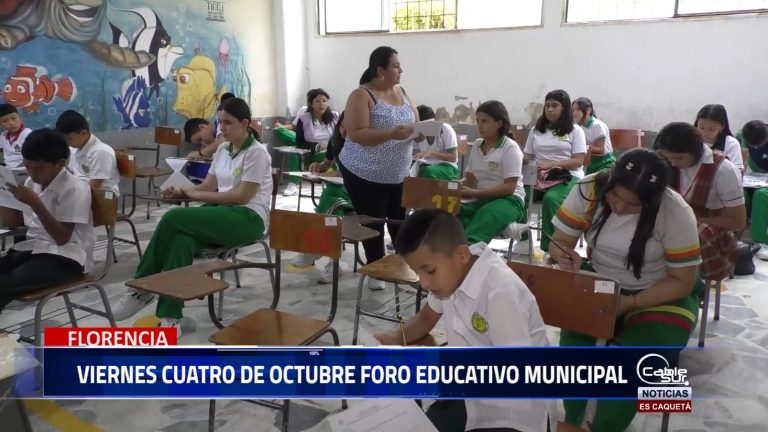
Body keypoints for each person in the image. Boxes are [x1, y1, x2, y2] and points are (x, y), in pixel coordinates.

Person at [550, 148, 702, 432]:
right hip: (601, 281)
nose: (619, 207)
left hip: (661, 291)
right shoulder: (590, 188)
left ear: (651, 201)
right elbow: (559, 242)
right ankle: (575, 422)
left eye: (633, 205)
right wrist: (564, 256)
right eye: (615, 196)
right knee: (575, 358)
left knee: (638, 363)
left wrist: (628, 303)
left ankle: (605, 427)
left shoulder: (675, 211)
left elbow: (682, 281)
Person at [374, 208, 549, 432]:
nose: (424, 283)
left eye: (429, 271)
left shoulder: (500, 292)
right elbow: (427, 317)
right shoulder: (453, 273)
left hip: (513, 410)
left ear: (462, 255)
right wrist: (394, 338)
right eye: (418, 272)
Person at [111, 98, 274, 333]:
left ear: (245, 123)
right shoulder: (222, 150)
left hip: (250, 217)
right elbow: (207, 186)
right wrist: (182, 191)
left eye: (228, 123)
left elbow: (242, 197)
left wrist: (193, 195)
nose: (223, 128)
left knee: (173, 218)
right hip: (223, 212)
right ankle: (171, 319)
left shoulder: (257, 152)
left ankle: (140, 289)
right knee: (181, 241)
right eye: (220, 122)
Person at [338, 46, 417, 290]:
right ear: (381, 70)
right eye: (396, 66)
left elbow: (415, 122)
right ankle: (376, 269)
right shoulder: (361, 95)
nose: (401, 70)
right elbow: (356, 133)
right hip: (364, 172)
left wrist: (421, 132)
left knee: (398, 221)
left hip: (398, 173)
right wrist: (391, 134)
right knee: (373, 222)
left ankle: (403, 264)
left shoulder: (402, 91)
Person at [0, 129, 94, 311]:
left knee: (3, 285)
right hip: (36, 249)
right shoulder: (31, 183)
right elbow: (14, 224)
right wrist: (4, 196)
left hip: (66, 259)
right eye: (27, 167)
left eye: (38, 168)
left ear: (60, 164)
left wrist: (35, 203)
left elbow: (62, 238)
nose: (32, 173)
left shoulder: (74, 188)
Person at [290, 112, 353, 283]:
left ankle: (315, 248)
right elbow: (327, 163)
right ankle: (332, 263)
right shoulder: (335, 140)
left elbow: (350, 174)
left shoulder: (363, 145)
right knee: (332, 206)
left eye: (350, 128)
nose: (344, 131)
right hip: (339, 192)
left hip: (359, 194)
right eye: (342, 126)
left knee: (330, 196)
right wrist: (319, 167)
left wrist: (333, 174)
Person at [523, 89, 587, 252]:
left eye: (555, 105)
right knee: (519, 195)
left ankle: (551, 248)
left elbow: (578, 161)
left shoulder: (575, 130)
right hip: (539, 175)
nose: (550, 109)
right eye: (547, 106)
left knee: (551, 199)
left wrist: (551, 165)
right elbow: (528, 156)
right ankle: (522, 239)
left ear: (564, 108)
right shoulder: (536, 130)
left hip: (568, 175)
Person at [458, 100, 526, 244]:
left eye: (485, 121)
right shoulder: (477, 145)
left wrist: (475, 193)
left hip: (509, 200)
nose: (479, 125)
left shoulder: (510, 147)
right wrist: (455, 185)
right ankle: (453, 249)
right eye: (477, 121)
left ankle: (469, 250)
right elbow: (469, 179)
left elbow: (509, 187)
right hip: (481, 198)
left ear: (499, 123)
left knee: (487, 214)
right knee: (453, 211)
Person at [55, 110, 120, 196]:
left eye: (69, 138)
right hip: (81, 191)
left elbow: (95, 186)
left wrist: (70, 195)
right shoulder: (74, 149)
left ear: (83, 133)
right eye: (65, 139)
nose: (67, 142)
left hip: (102, 196)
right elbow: (72, 174)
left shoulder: (100, 152)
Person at [739, 120, 768, 260]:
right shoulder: (740, 138)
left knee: (761, 195)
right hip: (751, 179)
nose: (756, 147)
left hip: (765, 184)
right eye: (752, 145)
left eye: (759, 144)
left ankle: (761, 242)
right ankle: (734, 237)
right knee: (738, 193)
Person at [411, 104, 459, 180]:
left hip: (447, 166)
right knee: (406, 170)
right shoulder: (418, 133)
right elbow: (413, 153)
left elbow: (453, 157)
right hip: (425, 163)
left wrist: (430, 153)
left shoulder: (445, 129)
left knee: (427, 171)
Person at [694, 104, 744, 171]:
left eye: (712, 129)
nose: (705, 133)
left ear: (722, 127)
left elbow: (738, 170)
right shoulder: (691, 141)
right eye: (701, 127)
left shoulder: (731, 143)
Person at [571, 97, 615, 174]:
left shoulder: (597, 125)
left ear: (589, 110)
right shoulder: (578, 127)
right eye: (573, 110)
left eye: (578, 110)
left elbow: (600, 150)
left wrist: (582, 146)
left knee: (598, 179)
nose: (574, 113)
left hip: (605, 162)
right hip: (590, 161)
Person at [295, 88, 340, 161]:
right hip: (314, 155)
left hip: (334, 154)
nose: (322, 104)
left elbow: (343, 136)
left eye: (324, 101)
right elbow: (299, 142)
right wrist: (317, 146)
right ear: (311, 104)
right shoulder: (303, 119)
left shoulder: (335, 116)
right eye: (317, 101)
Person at [0, 103, 32, 168]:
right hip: (7, 168)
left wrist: (16, 169)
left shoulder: (27, 134)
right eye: (5, 121)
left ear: (20, 118)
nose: (11, 123)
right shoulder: (3, 135)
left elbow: (33, 157)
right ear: (0, 125)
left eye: (13, 118)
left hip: (23, 169)